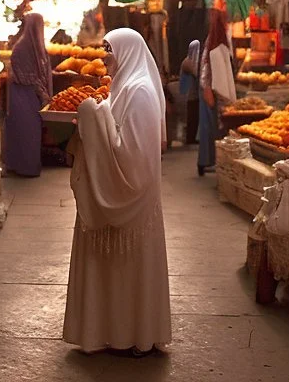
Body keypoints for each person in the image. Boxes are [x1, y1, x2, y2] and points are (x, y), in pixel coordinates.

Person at [63, 27, 170, 356]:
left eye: (109, 49)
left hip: (132, 202)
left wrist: (92, 119)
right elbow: (113, 129)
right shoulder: (124, 88)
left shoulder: (140, 92)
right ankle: (108, 331)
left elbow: (132, 157)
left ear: (127, 51)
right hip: (113, 189)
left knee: (126, 268)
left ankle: (133, 334)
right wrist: (94, 117)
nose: (104, 56)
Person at [3, 13, 51, 177]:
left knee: (31, 131)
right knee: (26, 130)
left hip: (29, 95)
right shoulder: (23, 47)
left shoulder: (33, 45)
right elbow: (28, 77)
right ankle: (23, 167)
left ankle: (27, 166)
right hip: (22, 94)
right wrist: (43, 92)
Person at [198, 9, 236, 176]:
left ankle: (211, 161)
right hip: (211, 91)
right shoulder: (213, 43)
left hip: (213, 91)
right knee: (210, 128)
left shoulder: (219, 42)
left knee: (214, 128)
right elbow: (205, 68)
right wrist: (207, 89)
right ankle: (206, 162)